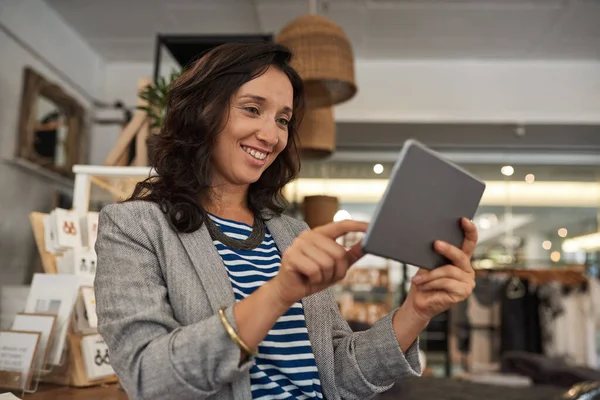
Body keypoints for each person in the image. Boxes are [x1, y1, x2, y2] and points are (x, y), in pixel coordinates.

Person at [94, 42, 478, 400]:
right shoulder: (134, 226)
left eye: (283, 119)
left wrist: (417, 309)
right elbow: (146, 377)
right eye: (252, 109)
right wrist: (279, 293)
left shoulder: (291, 232)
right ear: (201, 111)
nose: (271, 134)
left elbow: (338, 374)